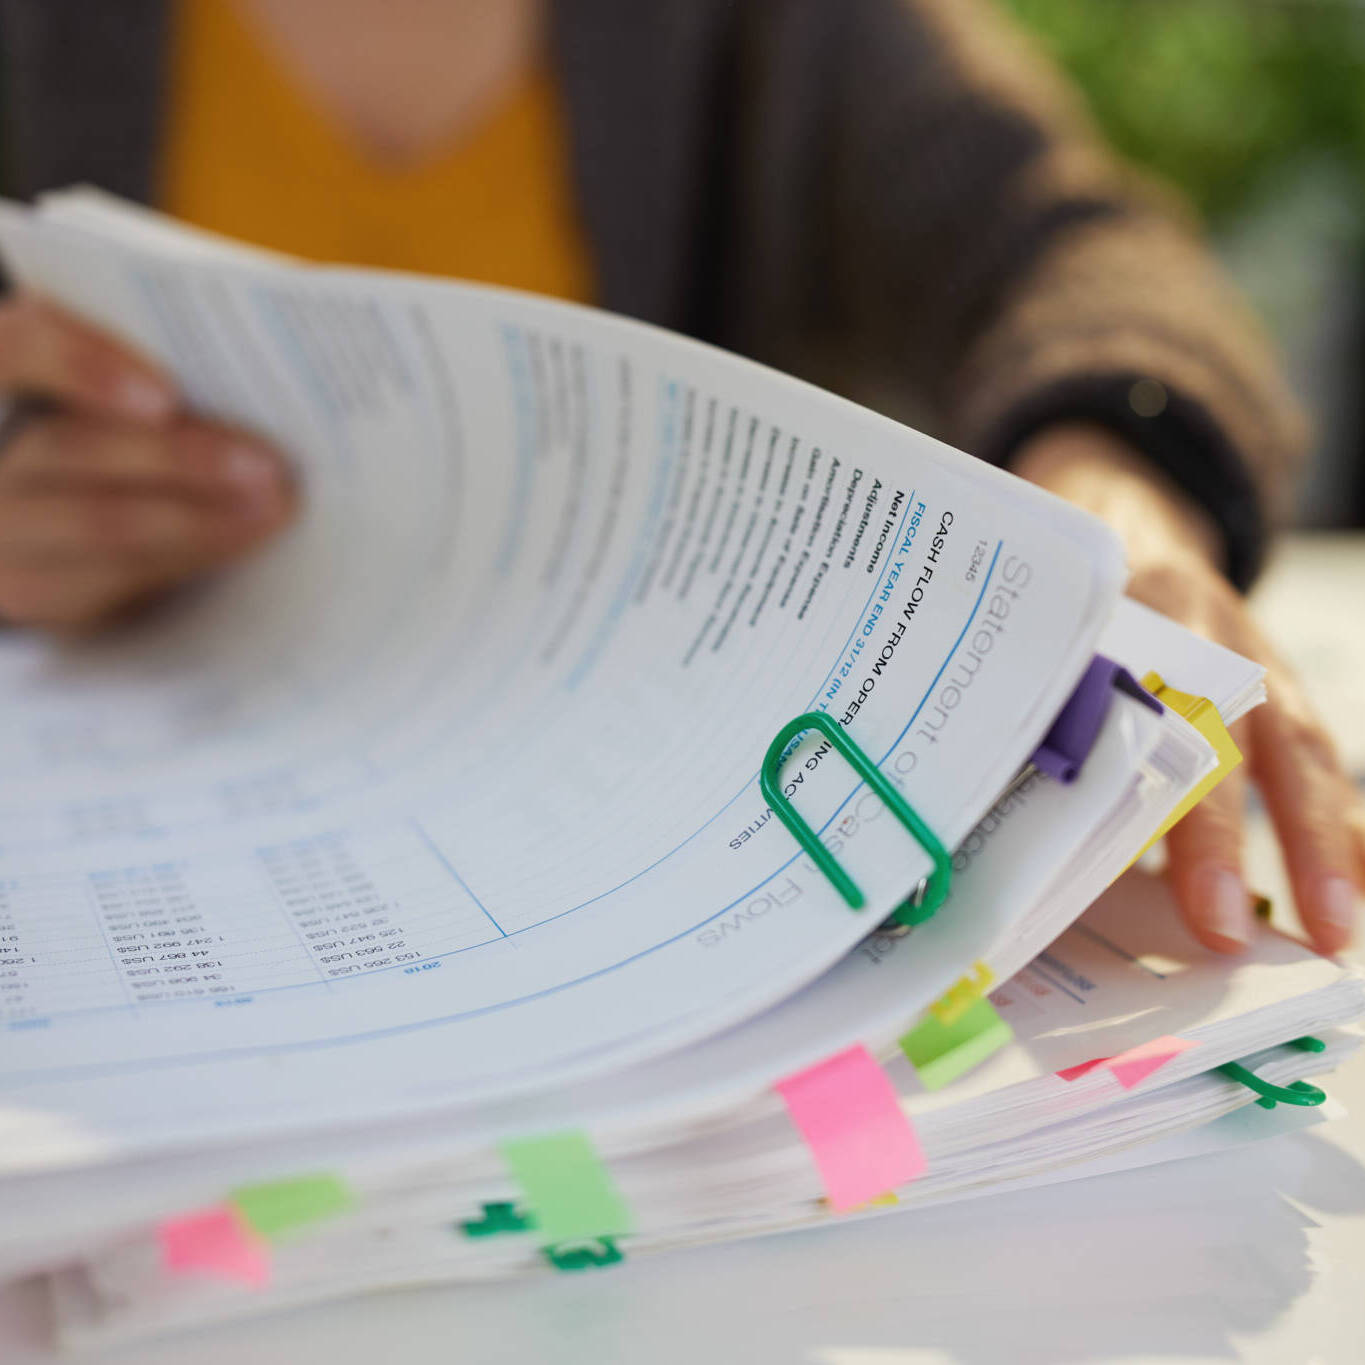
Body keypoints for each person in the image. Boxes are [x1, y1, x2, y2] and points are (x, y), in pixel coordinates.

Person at [0, 0, 1359, 956]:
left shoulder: (767, 31)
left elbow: (1066, 241)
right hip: (142, 815)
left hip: (638, 866)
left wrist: (1113, 472)